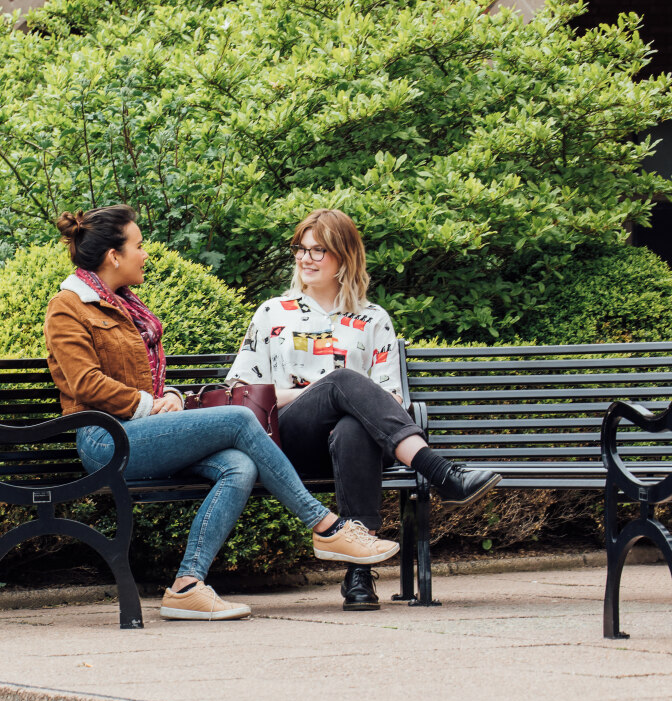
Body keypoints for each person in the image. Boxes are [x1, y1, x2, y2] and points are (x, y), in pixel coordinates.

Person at [45, 204, 400, 622]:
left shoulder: (126, 306)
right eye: (139, 245)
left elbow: (145, 380)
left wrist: (170, 396)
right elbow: (84, 383)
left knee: (239, 464)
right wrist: (148, 405)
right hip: (107, 439)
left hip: (145, 431)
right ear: (114, 256)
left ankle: (187, 585)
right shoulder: (68, 306)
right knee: (238, 419)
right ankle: (326, 526)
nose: (146, 253)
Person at [226, 209, 500, 611]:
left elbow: (390, 399)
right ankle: (440, 472)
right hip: (287, 439)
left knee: (354, 427)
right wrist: (320, 391)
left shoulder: (372, 318)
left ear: (345, 256)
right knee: (342, 382)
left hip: (352, 445)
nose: (306, 258)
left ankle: (358, 575)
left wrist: (341, 397)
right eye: (301, 249)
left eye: (319, 250)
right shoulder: (274, 312)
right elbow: (242, 390)